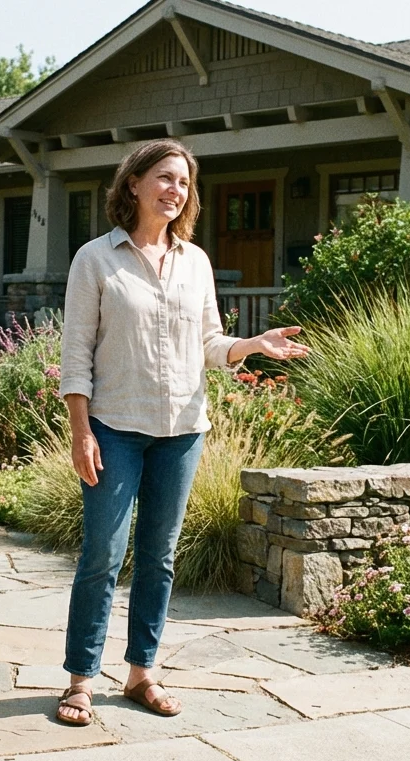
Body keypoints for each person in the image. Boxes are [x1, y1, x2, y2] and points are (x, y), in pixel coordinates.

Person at [54, 139, 308, 726]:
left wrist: (252, 346)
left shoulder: (195, 261)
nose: (176, 190)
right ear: (135, 183)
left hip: (182, 430)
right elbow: (76, 356)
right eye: (165, 178)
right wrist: (81, 431)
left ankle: (142, 671)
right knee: (102, 555)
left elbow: (209, 343)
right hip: (115, 428)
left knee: (159, 557)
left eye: (185, 183)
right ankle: (80, 681)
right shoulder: (96, 259)